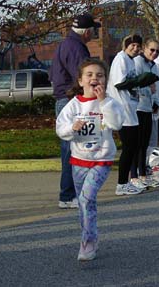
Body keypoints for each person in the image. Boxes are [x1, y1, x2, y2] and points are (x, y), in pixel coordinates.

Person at [56, 59, 124, 261]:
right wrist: (72, 129)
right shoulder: (73, 105)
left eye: (100, 75)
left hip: (102, 159)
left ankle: (88, 241)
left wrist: (103, 102)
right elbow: (61, 129)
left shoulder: (109, 102)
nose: (95, 78)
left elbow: (116, 124)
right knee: (85, 204)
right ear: (80, 80)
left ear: (105, 80)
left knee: (86, 198)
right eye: (90, 75)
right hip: (79, 160)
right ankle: (88, 236)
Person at [49, 13, 101, 209]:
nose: (94, 33)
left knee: (72, 147)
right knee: (72, 149)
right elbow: (85, 77)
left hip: (63, 99)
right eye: (94, 30)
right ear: (87, 32)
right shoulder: (77, 48)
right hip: (71, 100)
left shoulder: (64, 45)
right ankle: (68, 195)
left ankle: (71, 193)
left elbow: (54, 75)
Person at [106, 34, 146, 196]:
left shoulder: (131, 61)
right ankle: (121, 184)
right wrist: (139, 81)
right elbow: (119, 83)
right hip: (122, 108)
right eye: (133, 45)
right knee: (129, 147)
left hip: (131, 107)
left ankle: (127, 181)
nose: (135, 49)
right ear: (126, 45)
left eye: (138, 46)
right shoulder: (121, 59)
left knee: (133, 146)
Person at [131, 39, 159, 188]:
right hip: (137, 107)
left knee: (144, 143)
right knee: (136, 143)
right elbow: (134, 85)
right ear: (144, 49)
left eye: (157, 51)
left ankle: (143, 174)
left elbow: (154, 86)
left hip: (148, 107)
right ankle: (134, 175)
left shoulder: (153, 65)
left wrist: (155, 102)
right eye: (152, 50)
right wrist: (148, 88)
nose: (154, 53)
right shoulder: (137, 62)